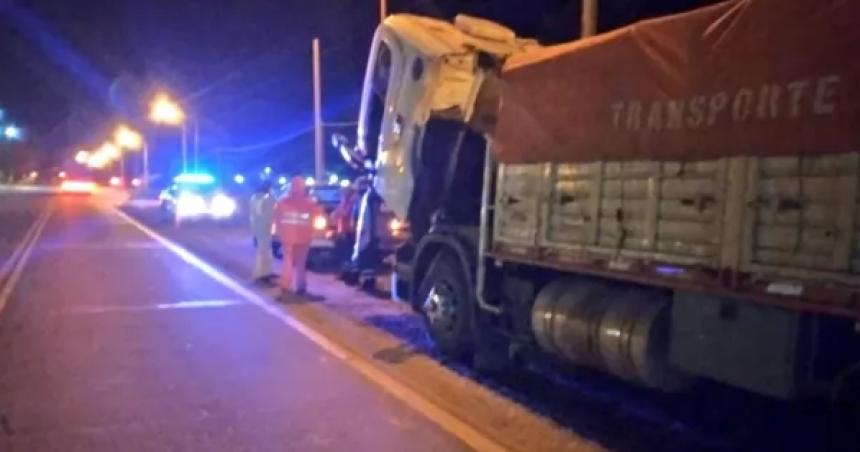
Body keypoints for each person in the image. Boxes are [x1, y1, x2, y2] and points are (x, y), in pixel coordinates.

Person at [274, 176, 321, 299]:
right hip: (304, 237)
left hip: (287, 237)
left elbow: (277, 219)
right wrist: (313, 232)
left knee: (288, 261)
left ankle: (285, 284)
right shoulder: (310, 203)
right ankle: (301, 286)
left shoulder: (282, 202)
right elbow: (316, 219)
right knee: (301, 263)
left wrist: (280, 232)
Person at [249, 180, 276, 286]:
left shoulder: (254, 198)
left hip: (257, 227)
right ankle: (262, 274)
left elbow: (253, 214)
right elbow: (271, 212)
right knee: (264, 252)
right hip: (265, 228)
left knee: (263, 252)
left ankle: (265, 273)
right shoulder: (267, 198)